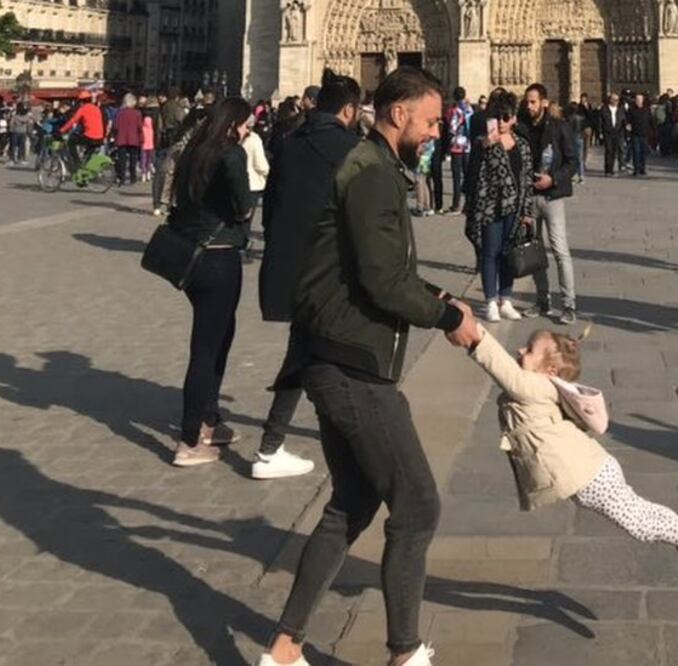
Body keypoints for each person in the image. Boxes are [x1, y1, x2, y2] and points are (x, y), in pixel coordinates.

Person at [258, 67, 479, 666]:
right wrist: (446, 319)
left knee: (352, 501)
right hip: (351, 362)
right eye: (432, 120)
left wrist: (441, 299)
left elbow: (380, 266)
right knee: (417, 506)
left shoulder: (371, 165)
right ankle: (404, 653)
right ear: (399, 113)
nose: (437, 131)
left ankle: (283, 649)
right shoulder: (372, 172)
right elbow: (383, 281)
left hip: (332, 353)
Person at [466, 324, 678, 592]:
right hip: (589, 471)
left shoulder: (535, 385)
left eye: (530, 350)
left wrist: (476, 336)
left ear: (549, 371)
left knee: (640, 524)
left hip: (591, 475)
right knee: (642, 512)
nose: (520, 350)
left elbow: (506, 372)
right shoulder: (536, 386)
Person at [255, 75, 362, 481]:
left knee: (305, 352)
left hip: (291, 267)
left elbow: (272, 207)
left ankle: (272, 445)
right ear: (349, 111)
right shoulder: (353, 149)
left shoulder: (288, 143)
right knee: (337, 354)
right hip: (332, 270)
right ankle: (278, 446)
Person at [165, 98, 255, 466]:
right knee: (207, 348)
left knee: (217, 339)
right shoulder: (230, 155)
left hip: (194, 258)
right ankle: (190, 439)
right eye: (246, 125)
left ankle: (209, 420)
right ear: (233, 124)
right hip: (218, 258)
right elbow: (244, 205)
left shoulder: (193, 153)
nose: (249, 130)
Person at [467, 90, 532, 322]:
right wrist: (484, 145)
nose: (503, 122)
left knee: (509, 254)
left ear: (514, 118)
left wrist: (527, 211)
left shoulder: (522, 145)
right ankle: (490, 301)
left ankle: (506, 299)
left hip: (515, 208)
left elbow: (526, 178)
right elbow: (472, 173)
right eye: (499, 117)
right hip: (490, 207)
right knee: (490, 253)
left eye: (507, 117)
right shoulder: (483, 143)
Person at [519, 83, 580, 325]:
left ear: (544, 102)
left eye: (533, 101)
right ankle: (542, 300)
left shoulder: (558, 127)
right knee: (535, 251)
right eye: (527, 101)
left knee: (560, 250)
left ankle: (568, 304)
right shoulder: (521, 127)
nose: (529, 105)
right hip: (530, 196)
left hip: (552, 196)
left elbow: (572, 161)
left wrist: (553, 179)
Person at [240, 115, 270, 261]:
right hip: (253, 183)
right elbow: (261, 164)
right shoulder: (254, 139)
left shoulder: (233, 138)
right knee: (246, 219)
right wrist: (269, 173)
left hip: (239, 181)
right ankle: (242, 248)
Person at [443, 86, 474, 214]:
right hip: (467, 146)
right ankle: (468, 204)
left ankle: (456, 205)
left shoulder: (456, 111)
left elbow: (453, 128)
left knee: (457, 177)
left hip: (457, 146)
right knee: (467, 176)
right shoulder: (469, 109)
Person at [59, 92, 106, 171]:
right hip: (99, 137)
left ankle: (76, 162)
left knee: (71, 141)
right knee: (87, 153)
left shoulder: (83, 109)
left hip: (89, 136)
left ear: (81, 102)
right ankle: (84, 169)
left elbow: (73, 120)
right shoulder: (96, 108)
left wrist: (62, 130)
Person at [114, 93, 144, 185]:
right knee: (133, 159)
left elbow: (116, 126)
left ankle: (122, 178)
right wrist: (141, 139)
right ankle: (132, 177)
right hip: (133, 139)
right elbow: (139, 127)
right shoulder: (137, 113)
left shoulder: (120, 113)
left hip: (121, 138)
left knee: (122, 160)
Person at [627, 92, 653, 177]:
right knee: (636, 152)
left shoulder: (647, 109)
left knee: (643, 152)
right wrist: (628, 126)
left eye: (640, 99)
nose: (638, 101)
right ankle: (636, 169)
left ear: (642, 100)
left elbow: (650, 121)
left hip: (644, 134)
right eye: (637, 99)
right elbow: (628, 121)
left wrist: (652, 131)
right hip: (635, 134)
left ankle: (642, 168)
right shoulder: (631, 109)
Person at [600, 92, 625, 177]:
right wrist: (600, 132)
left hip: (617, 132)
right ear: (610, 100)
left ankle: (612, 169)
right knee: (609, 150)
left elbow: (623, 120)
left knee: (614, 151)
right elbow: (600, 122)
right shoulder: (604, 109)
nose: (616, 102)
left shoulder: (620, 109)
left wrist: (625, 129)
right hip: (608, 132)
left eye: (617, 100)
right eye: (614, 100)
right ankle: (608, 170)